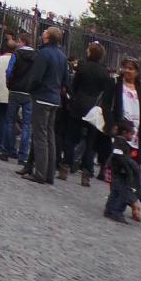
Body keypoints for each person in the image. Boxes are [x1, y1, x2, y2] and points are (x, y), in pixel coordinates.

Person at [58, 41, 114, 186]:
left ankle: (65, 166)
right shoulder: (104, 71)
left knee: (71, 137)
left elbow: (73, 86)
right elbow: (105, 92)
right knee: (90, 142)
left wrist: (73, 97)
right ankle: (86, 174)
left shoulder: (82, 66)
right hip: (94, 108)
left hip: (78, 105)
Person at [23, 26, 68, 186]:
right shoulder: (62, 56)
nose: (42, 34)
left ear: (48, 36)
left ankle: (40, 173)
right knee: (49, 136)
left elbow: (36, 77)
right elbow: (65, 81)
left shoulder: (44, 53)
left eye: (45, 32)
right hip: (55, 99)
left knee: (40, 136)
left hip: (42, 97)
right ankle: (49, 174)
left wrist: (31, 89)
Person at [2, 30, 36, 164]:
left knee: (9, 120)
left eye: (19, 41)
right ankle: (23, 155)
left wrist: (8, 82)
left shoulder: (17, 54)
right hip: (28, 92)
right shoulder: (37, 56)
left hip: (16, 89)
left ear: (23, 42)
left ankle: (6, 149)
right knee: (27, 125)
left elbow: (10, 70)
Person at [104, 121, 141, 224]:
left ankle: (109, 210)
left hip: (116, 170)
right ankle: (117, 211)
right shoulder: (120, 143)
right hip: (119, 171)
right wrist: (127, 168)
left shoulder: (119, 142)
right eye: (131, 133)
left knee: (115, 191)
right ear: (124, 132)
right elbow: (119, 157)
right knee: (122, 193)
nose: (133, 136)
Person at [0, 34, 16, 155]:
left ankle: (0, 144)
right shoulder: (16, 60)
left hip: (0, 91)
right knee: (9, 120)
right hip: (12, 93)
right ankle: (9, 146)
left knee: (1, 120)